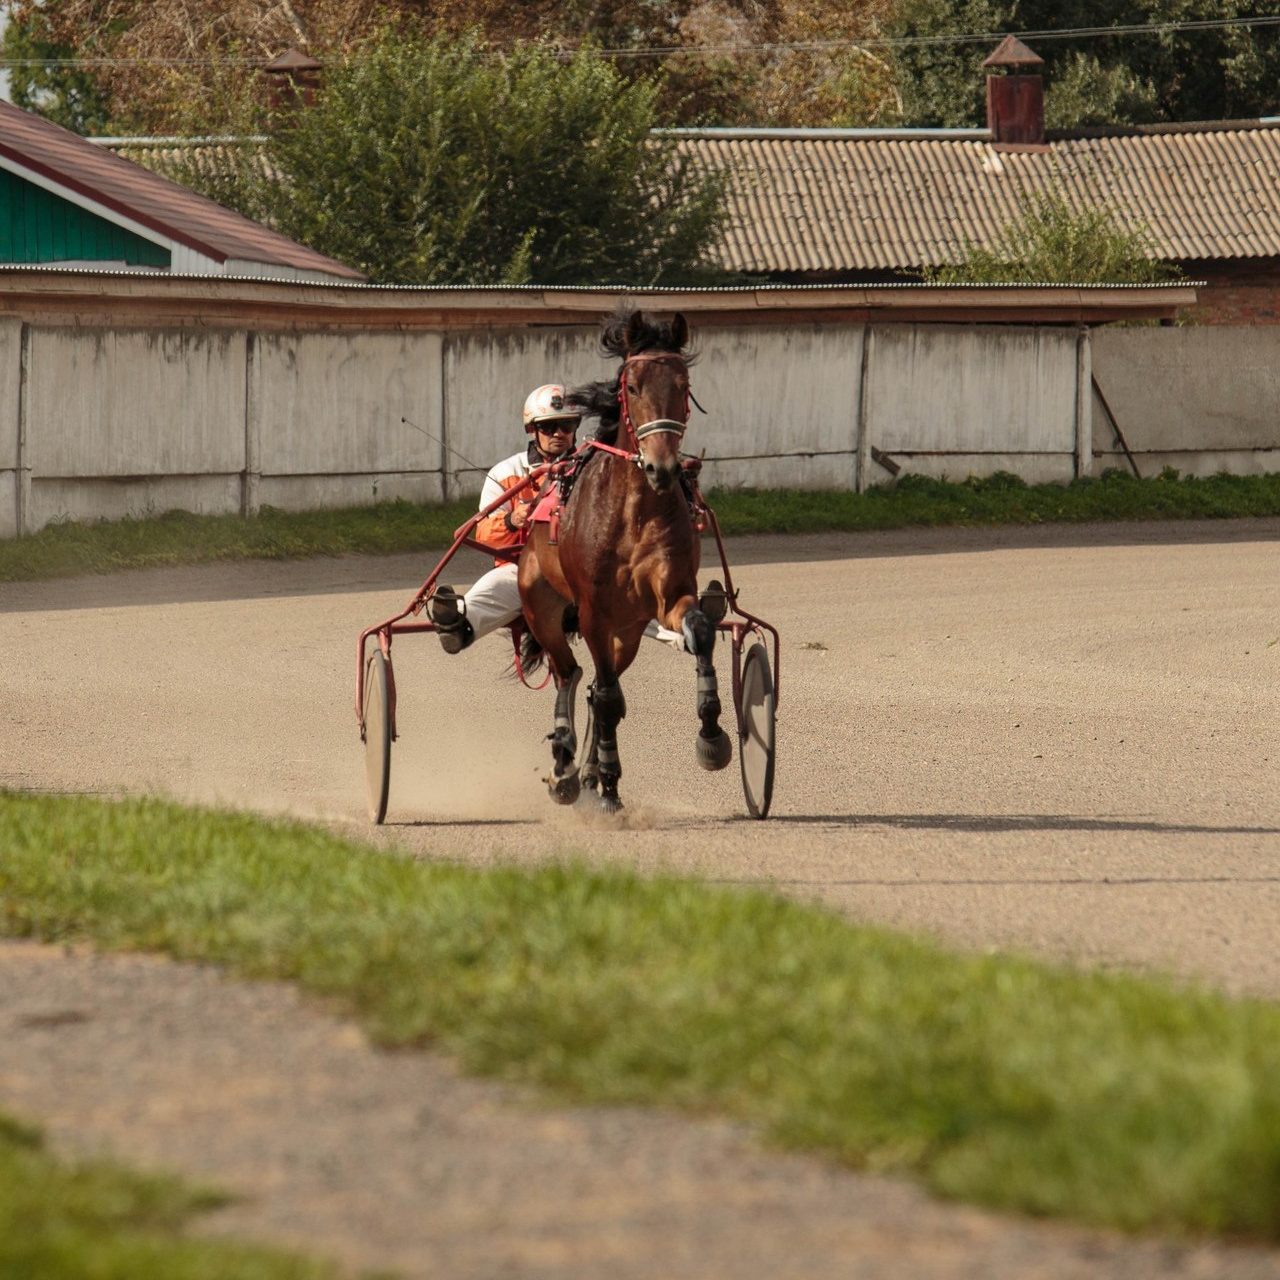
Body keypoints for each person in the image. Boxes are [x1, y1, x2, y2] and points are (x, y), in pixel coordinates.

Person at [430, 383, 692, 655]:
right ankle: (458, 623)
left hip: (586, 572)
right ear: (531, 430)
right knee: (494, 585)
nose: (558, 434)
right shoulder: (506, 472)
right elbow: (483, 533)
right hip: (521, 569)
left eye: (566, 426)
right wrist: (512, 521)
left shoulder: (595, 469)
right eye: (548, 427)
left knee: (630, 593)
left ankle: (688, 631)